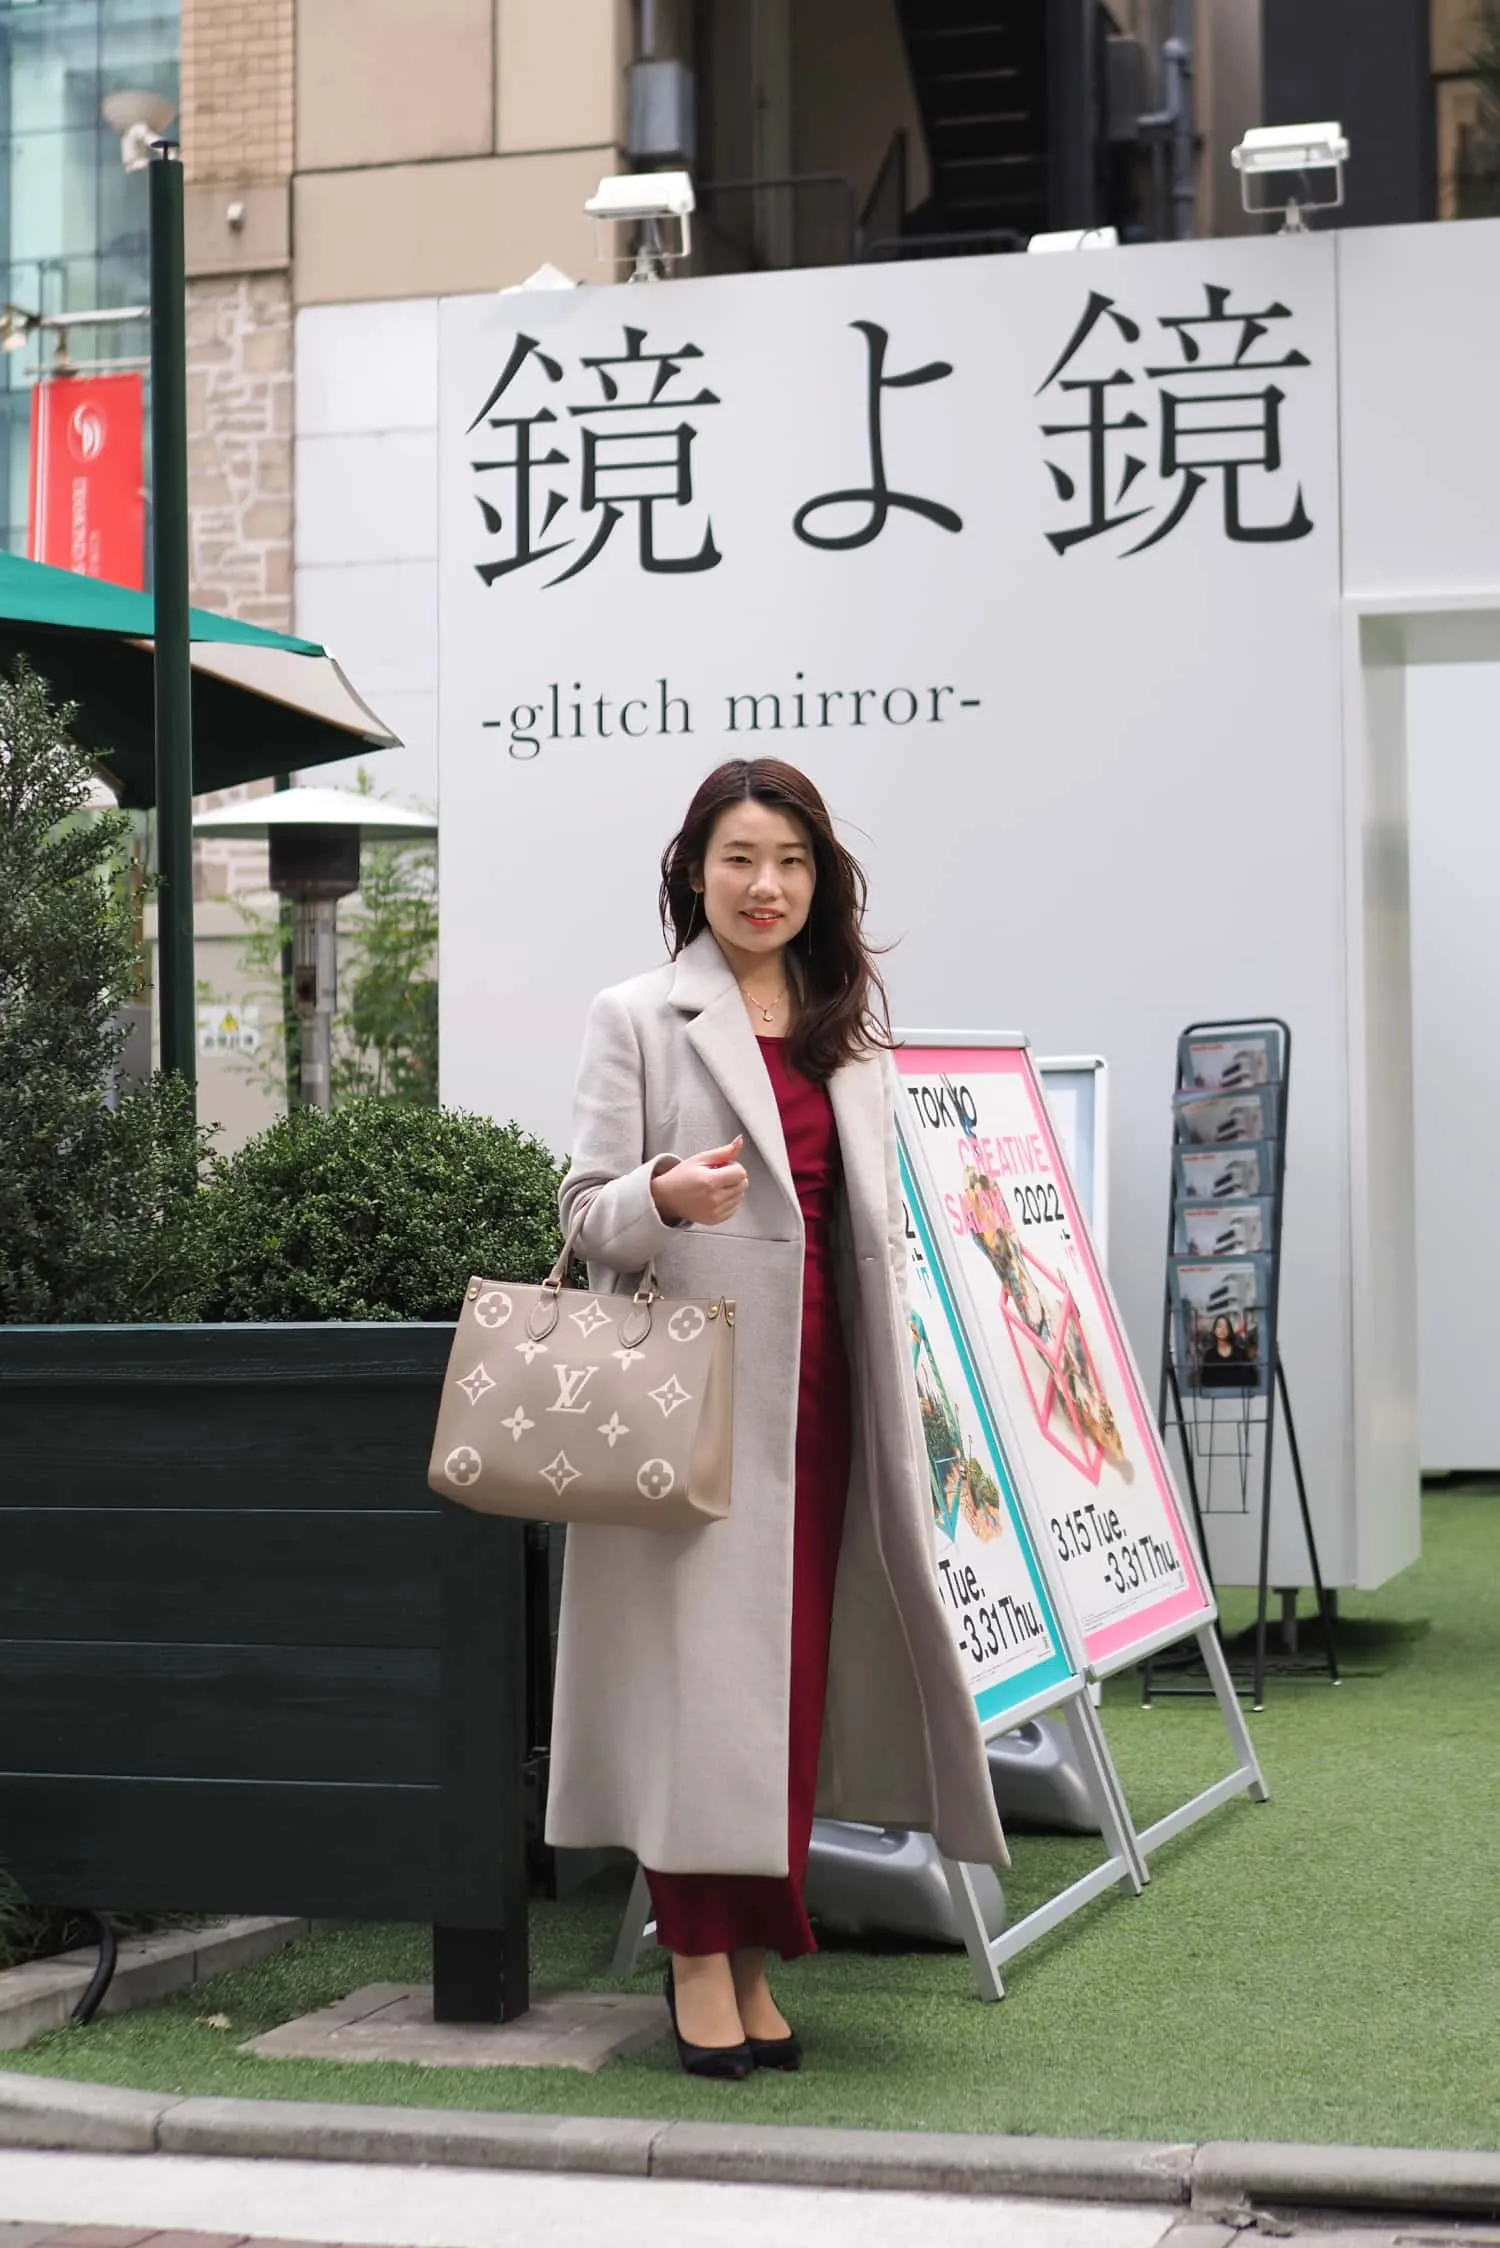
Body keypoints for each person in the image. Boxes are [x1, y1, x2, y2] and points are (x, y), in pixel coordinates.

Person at [546, 756, 1008, 2080]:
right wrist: (660, 1197)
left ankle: (752, 1952)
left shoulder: (844, 1027)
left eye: (793, 862)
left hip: (831, 1399)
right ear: (694, 871)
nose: (767, 886)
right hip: (689, 1402)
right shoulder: (638, 1014)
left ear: (822, 882)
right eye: (742, 858)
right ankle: (698, 1953)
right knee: (700, 1690)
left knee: (785, 1688)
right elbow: (581, 1213)